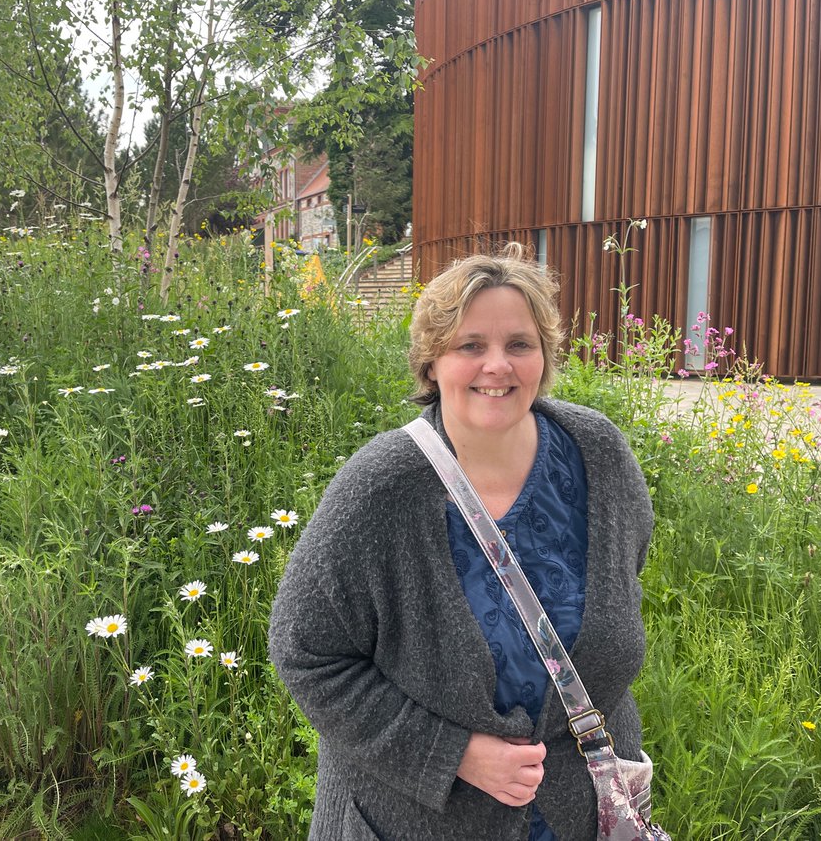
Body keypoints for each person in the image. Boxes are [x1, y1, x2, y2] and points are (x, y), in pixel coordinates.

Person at [268, 243, 655, 840]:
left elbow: (625, 584)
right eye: (471, 345)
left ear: (545, 357)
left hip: (584, 813)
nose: (496, 365)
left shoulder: (599, 456)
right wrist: (452, 753)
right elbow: (305, 650)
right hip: (418, 819)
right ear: (431, 362)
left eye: (519, 345)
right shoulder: (382, 487)